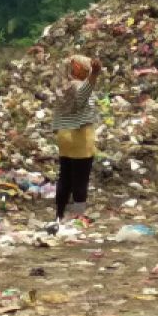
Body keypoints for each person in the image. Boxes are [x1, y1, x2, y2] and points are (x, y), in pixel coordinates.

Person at [47, 54, 102, 234]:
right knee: (81, 179)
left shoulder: (62, 88)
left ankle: (59, 215)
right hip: (80, 136)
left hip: (64, 136)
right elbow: (83, 94)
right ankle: (78, 217)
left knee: (65, 177)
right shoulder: (78, 86)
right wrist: (94, 75)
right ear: (78, 69)